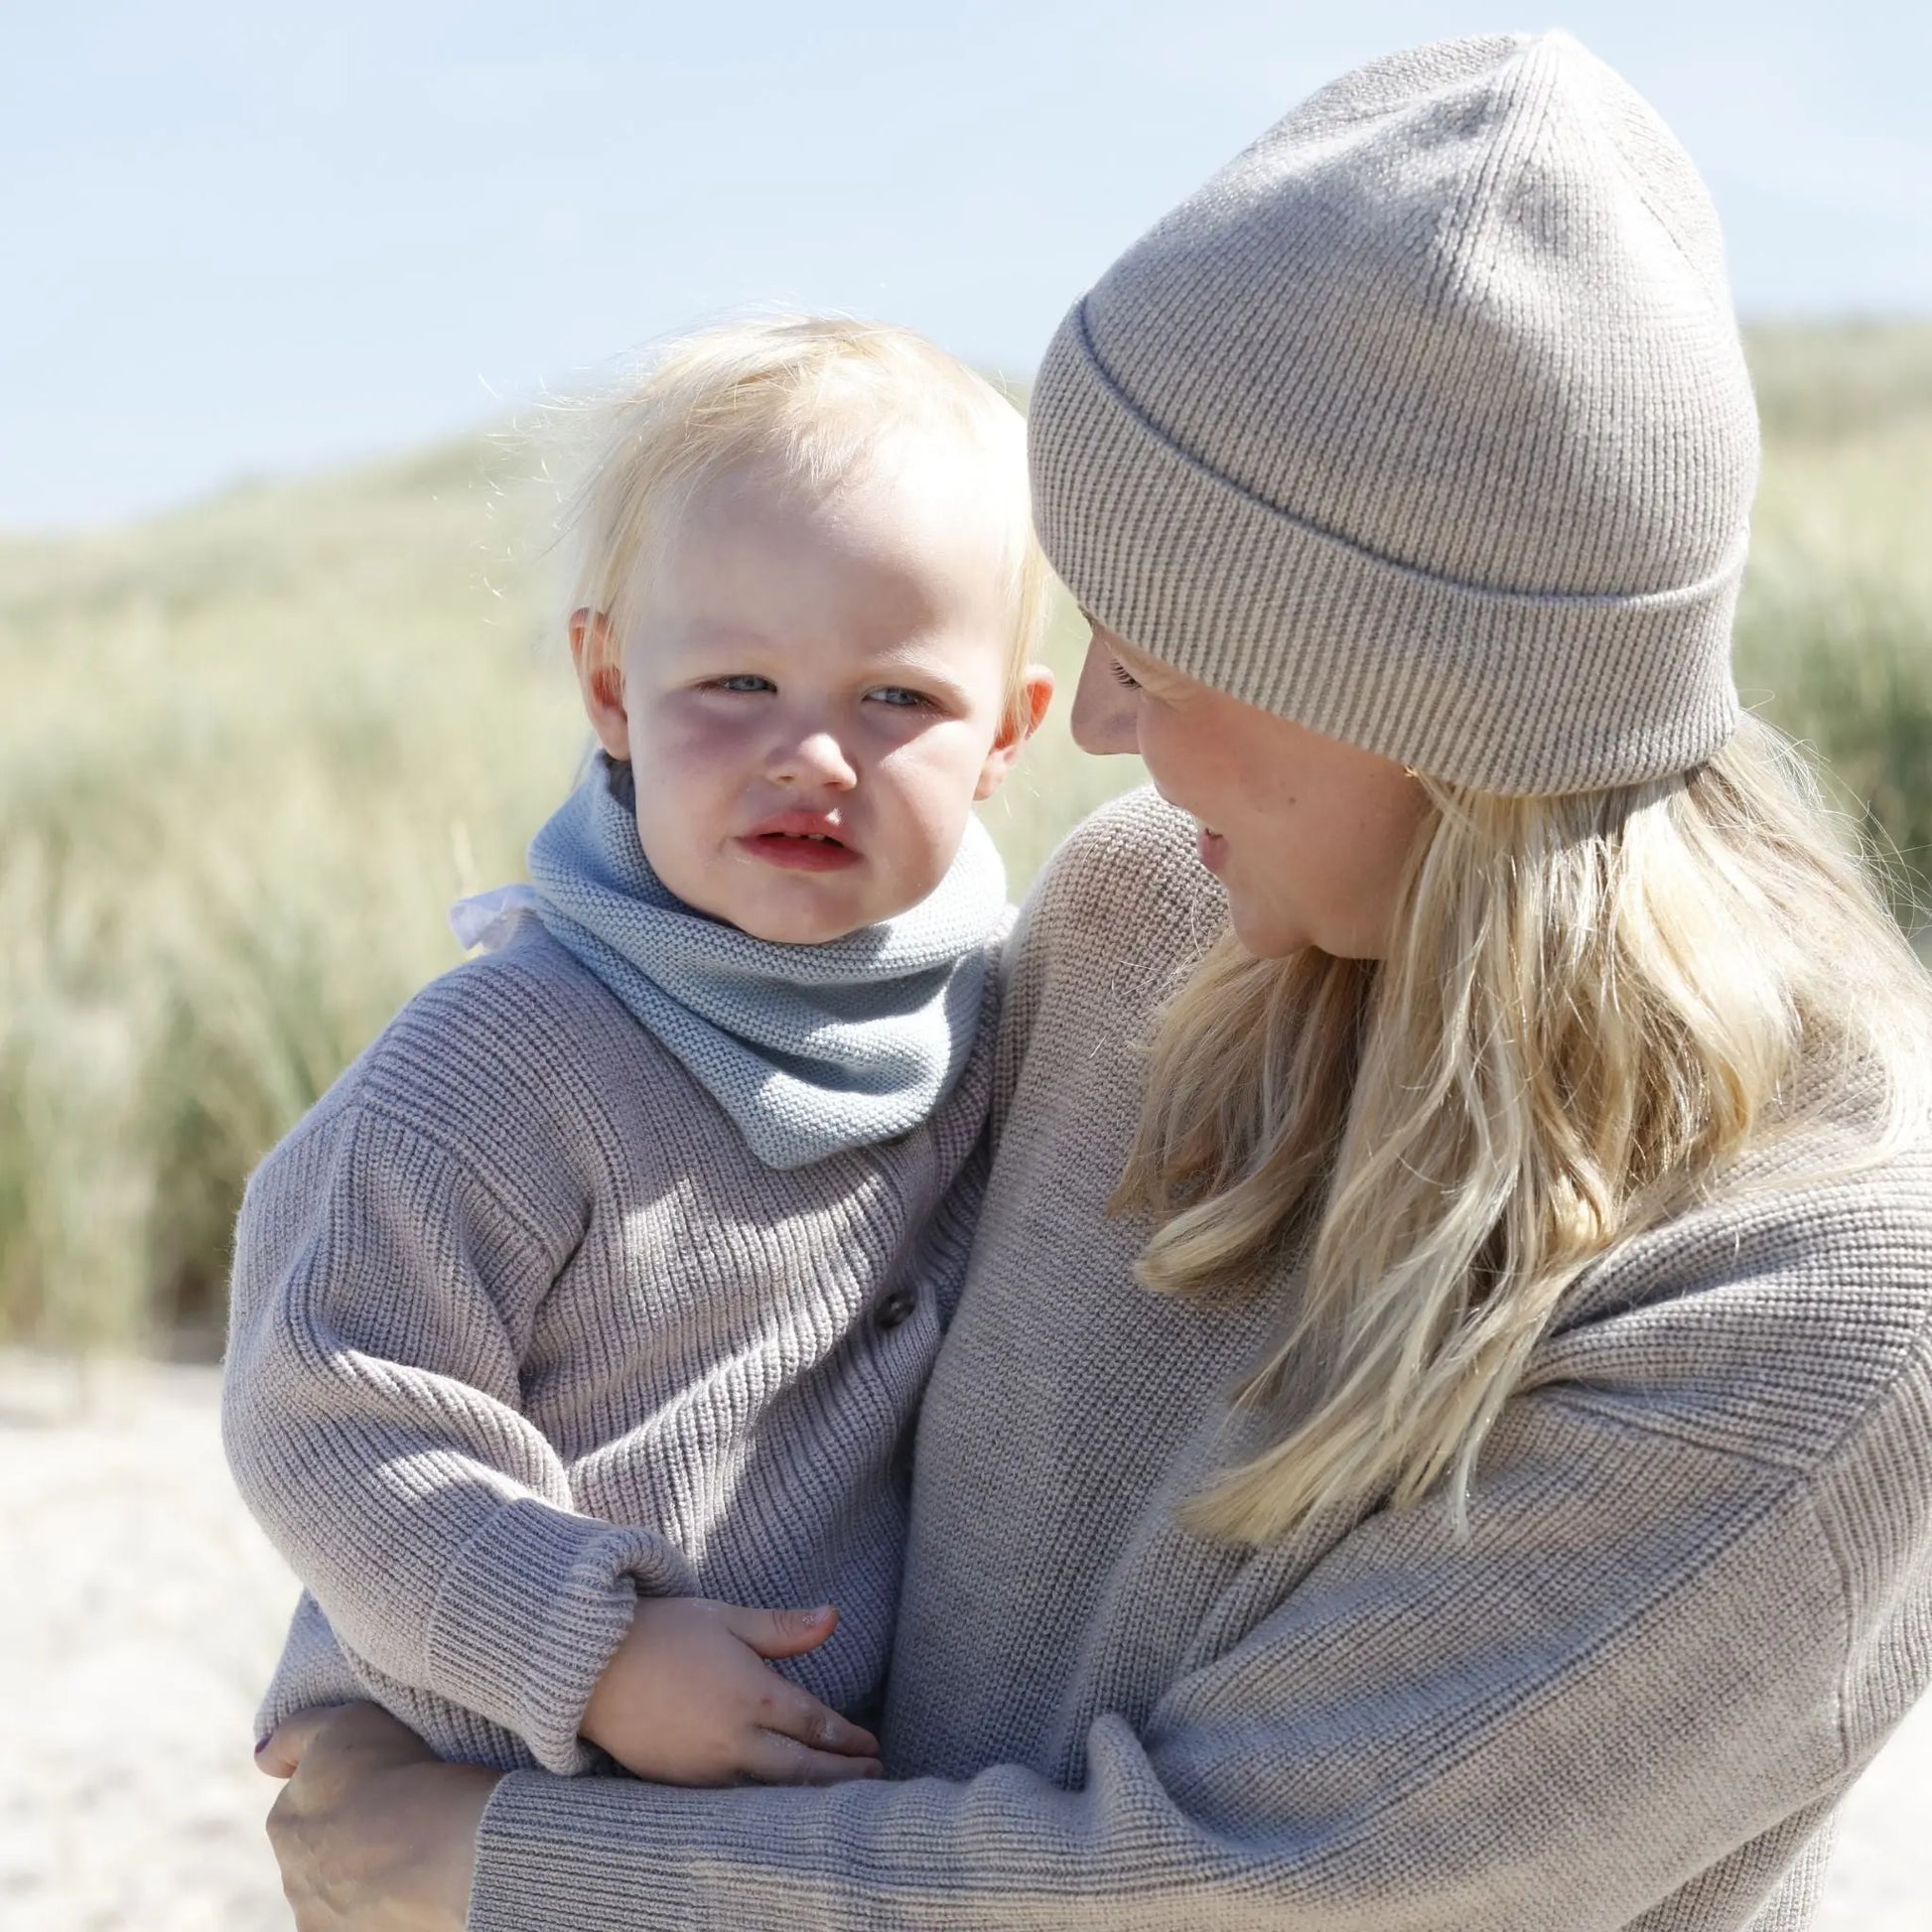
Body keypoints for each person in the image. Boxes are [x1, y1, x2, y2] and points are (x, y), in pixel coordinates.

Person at [259, 31, 1932, 1931]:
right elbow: (701, 1351)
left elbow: (1242, 1892)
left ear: (1416, 684)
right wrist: (452, 1641)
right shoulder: (1140, 917)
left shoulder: (1819, 1309)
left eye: (1172, 634)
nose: (1103, 719)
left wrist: (495, 1865)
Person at [222, 316, 1054, 1788]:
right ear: (609, 687)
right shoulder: (502, 1058)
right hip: (484, 1763)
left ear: (1005, 733)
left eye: (899, 698)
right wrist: (592, 1648)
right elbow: (321, 1410)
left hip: (788, 1806)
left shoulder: (985, 1020)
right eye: (737, 684)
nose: (811, 752)